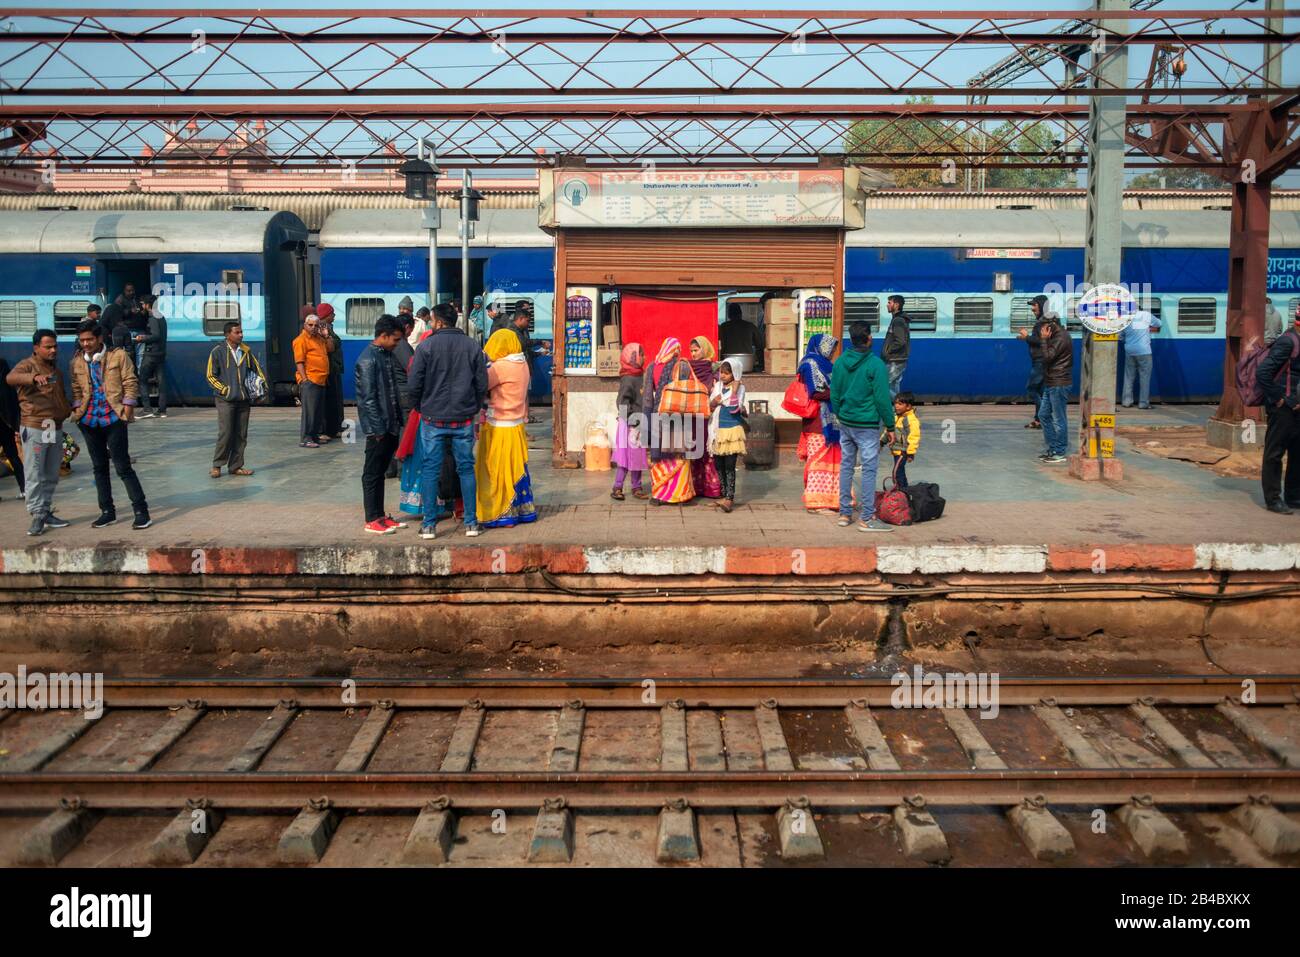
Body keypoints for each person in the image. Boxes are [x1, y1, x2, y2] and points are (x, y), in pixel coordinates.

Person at [406, 302, 488, 539]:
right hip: (463, 418)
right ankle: (471, 523)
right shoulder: (472, 346)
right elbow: (481, 383)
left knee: (430, 469)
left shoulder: (426, 346)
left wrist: (421, 406)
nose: (431, 323)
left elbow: (414, 384)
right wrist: (472, 406)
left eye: (432, 320)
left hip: (432, 418)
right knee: (466, 468)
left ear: (439, 322)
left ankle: (429, 525)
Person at [69, 319, 151, 530]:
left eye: (89, 340)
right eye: (82, 340)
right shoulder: (77, 361)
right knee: (99, 468)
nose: (85, 344)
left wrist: (128, 409)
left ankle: (141, 511)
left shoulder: (118, 356)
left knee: (122, 466)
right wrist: (78, 410)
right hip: (88, 421)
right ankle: (107, 511)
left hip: (113, 418)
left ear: (99, 338)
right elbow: (76, 388)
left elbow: (130, 382)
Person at [830, 321, 895, 532]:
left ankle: (844, 513)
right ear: (868, 339)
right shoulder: (876, 364)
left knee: (847, 466)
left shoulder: (839, 363)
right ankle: (867, 518)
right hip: (866, 425)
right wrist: (891, 426)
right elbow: (883, 399)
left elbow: (835, 395)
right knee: (869, 469)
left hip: (846, 423)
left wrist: (841, 414)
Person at [5, 330, 72, 535]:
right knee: (34, 472)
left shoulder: (56, 372)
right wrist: (33, 377)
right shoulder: (27, 365)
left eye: (55, 346)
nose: (53, 350)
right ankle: (36, 515)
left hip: (54, 427)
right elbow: (11, 378)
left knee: (51, 472)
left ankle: (45, 511)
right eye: (48, 346)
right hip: (35, 426)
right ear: (36, 348)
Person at [475, 328, 538, 529]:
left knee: (497, 471)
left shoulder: (500, 367)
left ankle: (502, 512)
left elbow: (480, 385)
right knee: (516, 469)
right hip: (516, 425)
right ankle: (521, 511)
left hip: (498, 426)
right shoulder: (523, 364)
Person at [355, 315, 407, 534]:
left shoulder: (385, 355)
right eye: (395, 339)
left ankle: (380, 515)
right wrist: (377, 430)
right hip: (380, 428)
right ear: (383, 336)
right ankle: (372, 518)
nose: (397, 344)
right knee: (372, 473)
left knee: (380, 472)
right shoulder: (368, 360)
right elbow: (367, 399)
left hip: (390, 424)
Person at [206, 320, 267, 478]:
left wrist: (262, 388)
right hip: (225, 400)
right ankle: (217, 465)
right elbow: (210, 376)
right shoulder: (217, 351)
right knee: (226, 433)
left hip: (243, 400)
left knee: (241, 434)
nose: (241, 335)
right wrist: (225, 390)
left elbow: (257, 370)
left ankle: (236, 466)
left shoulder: (246, 351)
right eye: (237, 332)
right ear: (228, 335)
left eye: (241, 332)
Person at [643, 337, 698, 505]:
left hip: (657, 415)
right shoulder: (681, 365)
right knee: (678, 454)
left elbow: (647, 398)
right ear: (675, 350)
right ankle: (680, 495)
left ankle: (659, 495)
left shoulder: (652, 367)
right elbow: (687, 391)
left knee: (659, 455)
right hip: (678, 417)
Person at [1257, 303, 1300, 514]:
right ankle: (1273, 499)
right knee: (1275, 453)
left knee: (1298, 453)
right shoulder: (1287, 341)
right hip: (1283, 409)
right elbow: (1263, 373)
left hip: (1297, 408)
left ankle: (1293, 497)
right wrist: (1280, 399)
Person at [796, 333, 841, 512]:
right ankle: (816, 501)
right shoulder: (811, 364)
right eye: (830, 349)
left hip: (825, 420)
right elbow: (815, 392)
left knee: (831, 462)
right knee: (818, 461)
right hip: (818, 422)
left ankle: (831, 499)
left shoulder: (821, 364)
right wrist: (839, 392)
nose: (831, 353)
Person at [611, 342, 649, 501]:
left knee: (638, 456)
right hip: (629, 424)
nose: (644, 357)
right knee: (625, 458)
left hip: (638, 423)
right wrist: (633, 421)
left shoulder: (640, 375)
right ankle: (617, 487)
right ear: (633, 358)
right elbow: (622, 403)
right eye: (641, 354)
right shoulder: (628, 379)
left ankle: (637, 486)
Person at [709, 357, 747, 513]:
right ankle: (724, 495)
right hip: (717, 430)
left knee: (730, 465)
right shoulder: (717, 386)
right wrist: (715, 401)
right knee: (719, 465)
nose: (722, 376)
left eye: (726, 373)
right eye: (721, 373)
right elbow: (710, 405)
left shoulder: (741, 389)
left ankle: (729, 498)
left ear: (735, 373)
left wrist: (735, 388)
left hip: (732, 430)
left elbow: (734, 408)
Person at [687, 335, 722, 499]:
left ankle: (711, 489)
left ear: (705, 349)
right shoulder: (687, 368)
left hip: (709, 417)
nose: (693, 354)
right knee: (694, 451)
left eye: (696, 350)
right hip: (692, 416)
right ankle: (695, 487)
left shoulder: (715, 369)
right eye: (691, 351)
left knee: (708, 453)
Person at [293, 310, 333, 448]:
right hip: (310, 380)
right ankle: (306, 438)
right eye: (310, 325)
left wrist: (327, 336)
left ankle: (314, 436)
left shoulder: (320, 339)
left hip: (321, 380)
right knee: (309, 412)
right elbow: (299, 362)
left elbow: (331, 349)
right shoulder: (300, 341)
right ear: (305, 325)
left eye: (316, 325)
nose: (313, 328)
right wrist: (305, 380)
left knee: (317, 411)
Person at [1036, 316, 1073, 463]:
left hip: (1059, 382)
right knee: (1043, 414)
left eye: (1042, 328)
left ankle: (1059, 451)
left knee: (1059, 418)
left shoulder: (1061, 338)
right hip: (1052, 382)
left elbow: (1047, 357)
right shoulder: (1057, 336)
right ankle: (1053, 448)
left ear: (1050, 326)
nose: (1040, 331)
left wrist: (1044, 340)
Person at [387, 312, 417, 478]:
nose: (411, 333)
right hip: (404, 391)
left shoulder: (393, 344)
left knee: (395, 430)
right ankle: (401, 469)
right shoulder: (402, 345)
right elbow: (411, 368)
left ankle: (391, 468)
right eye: (411, 330)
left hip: (395, 391)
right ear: (406, 328)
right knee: (405, 430)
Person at [134, 293, 168, 418]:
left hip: (151, 353)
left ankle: (147, 409)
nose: (142, 306)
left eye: (143, 303)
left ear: (148, 305)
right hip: (161, 353)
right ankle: (162, 410)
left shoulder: (153, 317)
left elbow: (156, 335)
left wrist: (142, 338)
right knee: (161, 381)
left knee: (142, 380)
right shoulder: (161, 316)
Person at [1018, 294, 1050, 429]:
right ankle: (1039, 420)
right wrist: (1025, 338)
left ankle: (1044, 416)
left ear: (1042, 306)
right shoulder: (1042, 321)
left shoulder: (1045, 322)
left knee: (1031, 389)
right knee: (1040, 391)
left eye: (1034, 305)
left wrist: (1026, 337)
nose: (1032, 308)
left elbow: (1042, 341)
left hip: (1040, 362)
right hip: (1039, 361)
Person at [1121, 307, 1161, 409]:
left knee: (1129, 377)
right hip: (1144, 351)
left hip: (1130, 351)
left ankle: (1126, 402)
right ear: (1140, 309)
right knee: (1145, 377)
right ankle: (1143, 403)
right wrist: (1147, 327)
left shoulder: (1126, 318)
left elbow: (1120, 336)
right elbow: (1159, 324)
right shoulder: (1146, 315)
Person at [318, 303, 345, 440]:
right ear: (326, 315)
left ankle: (334, 428)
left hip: (333, 367)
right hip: (328, 369)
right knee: (329, 400)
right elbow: (331, 346)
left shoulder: (328, 327)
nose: (334, 316)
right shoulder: (322, 328)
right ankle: (327, 429)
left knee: (335, 399)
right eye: (332, 314)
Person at [0, 355, 24, 503]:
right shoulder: (3, 366)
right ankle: (25, 489)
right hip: (6, 421)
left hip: (5, 422)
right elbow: (11, 399)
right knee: (13, 456)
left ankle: (25, 489)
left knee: (13, 456)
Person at [887, 390, 921, 489]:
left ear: (908, 406)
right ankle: (903, 491)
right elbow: (889, 431)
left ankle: (902, 491)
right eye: (895, 403)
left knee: (897, 472)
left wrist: (910, 453)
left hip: (903, 452)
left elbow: (914, 437)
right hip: (896, 450)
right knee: (899, 471)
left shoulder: (910, 420)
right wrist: (881, 441)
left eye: (900, 404)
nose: (896, 406)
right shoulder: (897, 417)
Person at [882, 294, 910, 398]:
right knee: (894, 386)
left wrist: (888, 351)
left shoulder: (898, 320)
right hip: (897, 359)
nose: (887, 305)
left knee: (883, 384)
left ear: (896, 305)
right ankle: (896, 410)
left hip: (895, 360)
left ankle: (901, 404)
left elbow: (900, 341)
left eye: (889, 303)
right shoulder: (897, 319)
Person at [719, 302, 762, 366]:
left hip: (728, 363)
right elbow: (760, 345)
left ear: (729, 315)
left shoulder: (723, 327)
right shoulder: (750, 326)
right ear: (741, 314)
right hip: (747, 363)